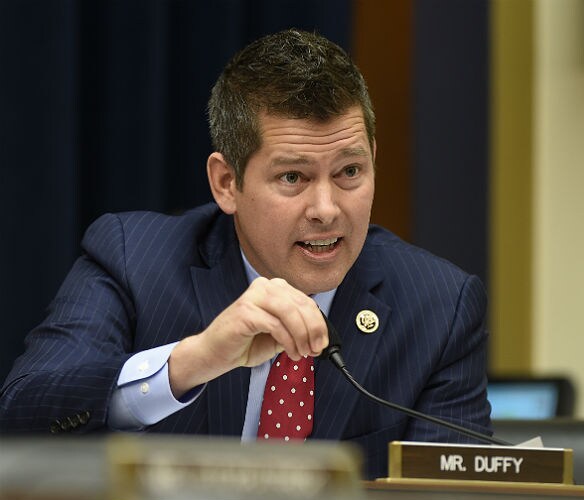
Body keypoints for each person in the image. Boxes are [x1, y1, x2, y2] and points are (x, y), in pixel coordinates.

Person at [0, 29, 491, 479]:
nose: (327, 209)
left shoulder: (439, 308)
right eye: (293, 177)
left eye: (349, 172)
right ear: (226, 183)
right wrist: (192, 362)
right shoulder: (134, 261)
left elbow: (455, 487)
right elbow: (21, 417)